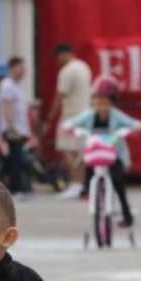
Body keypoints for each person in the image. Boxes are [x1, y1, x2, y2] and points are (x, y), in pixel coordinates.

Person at [60, 75, 141, 228]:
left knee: (118, 182)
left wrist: (134, 128)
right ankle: (87, 189)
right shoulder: (89, 115)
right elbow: (70, 123)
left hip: (114, 155)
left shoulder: (116, 116)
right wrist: (71, 128)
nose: (101, 103)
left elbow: (134, 124)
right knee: (88, 165)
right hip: (94, 154)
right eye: (97, 99)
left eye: (105, 100)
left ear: (112, 101)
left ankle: (127, 215)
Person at [47, 44, 93, 200]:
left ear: (63, 54)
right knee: (81, 151)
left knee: (67, 149)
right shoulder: (84, 67)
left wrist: (50, 118)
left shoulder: (67, 71)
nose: (57, 61)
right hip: (85, 115)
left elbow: (60, 96)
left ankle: (75, 184)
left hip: (71, 116)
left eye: (57, 57)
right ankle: (83, 184)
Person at [0, 56, 33, 196]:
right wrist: (12, 128)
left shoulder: (17, 86)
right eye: (21, 68)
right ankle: (15, 189)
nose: (23, 71)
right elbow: (7, 107)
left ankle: (14, 188)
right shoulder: (7, 85)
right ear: (13, 68)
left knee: (15, 160)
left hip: (20, 130)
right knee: (14, 160)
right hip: (12, 130)